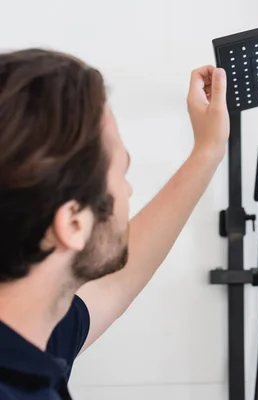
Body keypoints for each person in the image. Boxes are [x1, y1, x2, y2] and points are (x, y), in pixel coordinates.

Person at [0, 49, 229, 399]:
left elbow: (115, 285)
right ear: (73, 223)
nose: (128, 189)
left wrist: (208, 149)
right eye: (122, 173)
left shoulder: (29, 335)